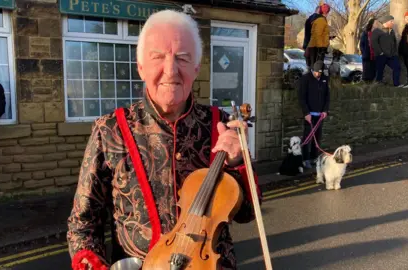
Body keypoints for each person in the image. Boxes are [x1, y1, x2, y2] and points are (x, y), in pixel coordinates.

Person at [66, 10, 261, 270]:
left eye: (182, 58)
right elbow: (83, 224)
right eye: (158, 57)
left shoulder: (221, 125)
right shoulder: (109, 130)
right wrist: (91, 263)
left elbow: (249, 213)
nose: (171, 70)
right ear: (141, 67)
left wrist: (238, 161)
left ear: (196, 68)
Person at [298, 60, 330, 169]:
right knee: (307, 137)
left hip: (320, 115)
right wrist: (306, 113)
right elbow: (302, 97)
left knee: (317, 137)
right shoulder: (305, 79)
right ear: (313, 70)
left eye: (320, 73)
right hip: (309, 115)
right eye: (316, 72)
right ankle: (305, 159)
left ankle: (314, 158)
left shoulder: (325, 79)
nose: (318, 74)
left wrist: (325, 110)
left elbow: (327, 97)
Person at [371, 15, 401, 87]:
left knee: (397, 67)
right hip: (381, 55)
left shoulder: (392, 31)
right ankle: (378, 85)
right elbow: (374, 43)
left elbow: (394, 42)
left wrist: (395, 53)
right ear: (386, 22)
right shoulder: (377, 31)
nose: (393, 23)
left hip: (392, 56)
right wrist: (380, 53)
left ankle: (396, 84)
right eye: (391, 21)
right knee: (380, 71)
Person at [307, 3, 331, 69]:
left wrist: (327, 38)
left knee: (316, 68)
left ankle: (313, 78)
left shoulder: (320, 20)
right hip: (317, 48)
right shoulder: (321, 20)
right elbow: (317, 34)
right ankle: (313, 79)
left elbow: (320, 34)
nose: (328, 13)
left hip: (316, 47)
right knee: (316, 68)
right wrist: (321, 48)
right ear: (325, 12)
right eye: (328, 11)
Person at [360, 18, 379, 83]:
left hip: (375, 56)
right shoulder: (365, 33)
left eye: (377, 23)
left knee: (374, 72)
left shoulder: (378, 33)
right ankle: (366, 84)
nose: (377, 24)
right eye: (376, 23)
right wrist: (364, 52)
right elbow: (361, 44)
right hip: (367, 56)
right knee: (367, 73)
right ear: (372, 24)